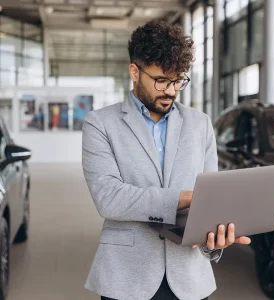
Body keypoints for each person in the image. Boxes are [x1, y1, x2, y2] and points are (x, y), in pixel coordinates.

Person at [82, 20, 251, 300]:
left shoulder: (200, 124)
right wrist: (185, 198)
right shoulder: (100, 123)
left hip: (190, 278)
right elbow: (109, 197)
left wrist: (214, 240)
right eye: (161, 80)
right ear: (134, 72)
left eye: (178, 80)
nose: (171, 90)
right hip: (126, 278)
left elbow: (212, 202)